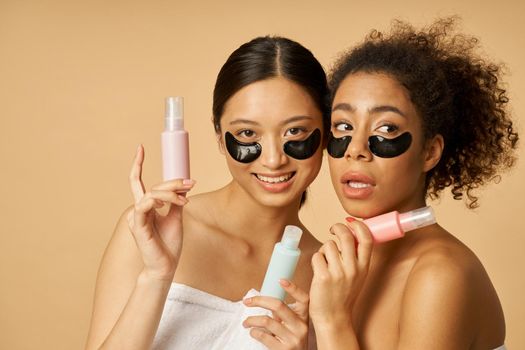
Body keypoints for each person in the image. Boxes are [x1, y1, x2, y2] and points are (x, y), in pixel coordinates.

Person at [85, 36, 330, 350]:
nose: (273, 159)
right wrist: (157, 275)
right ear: (219, 136)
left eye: (295, 131)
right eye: (247, 133)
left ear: (325, 133)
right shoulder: (150, 232)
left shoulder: (326, 276)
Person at [308, 18, 518, 350]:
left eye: (386, 129)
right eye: (343, 126)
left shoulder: (441, 274)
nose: (355, 149)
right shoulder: (345, 272)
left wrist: (332, 321)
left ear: (430, 152)